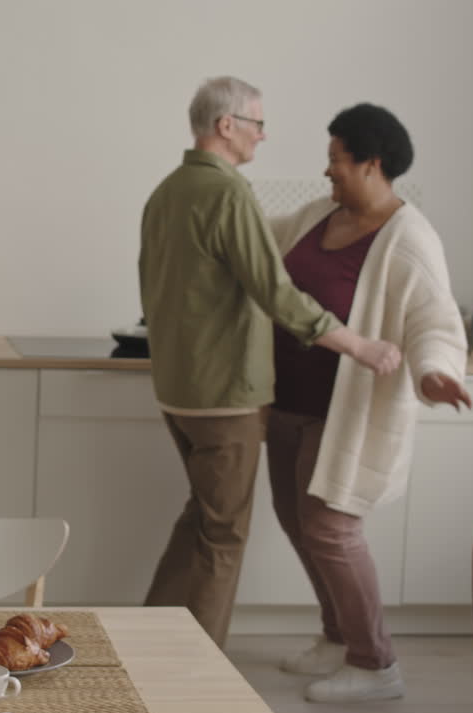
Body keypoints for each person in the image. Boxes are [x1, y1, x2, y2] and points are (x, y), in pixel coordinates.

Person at [137, 76, 403, 649]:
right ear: (226, 125)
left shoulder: (165, 192)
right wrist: (359, 345)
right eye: (257, 123)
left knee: (201, 520)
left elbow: (151, 290)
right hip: (224, 398)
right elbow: (276, 292)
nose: (263, 135)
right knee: (225, 538)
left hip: (176, 393)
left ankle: (141, 642)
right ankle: (191, 679)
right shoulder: (229, 194)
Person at [267, 103, 469, 703]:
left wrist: (435, 373)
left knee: (331, 529)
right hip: (288, 403)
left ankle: (376, 662)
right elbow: (258, 252)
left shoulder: (410, 238)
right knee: (297, 523)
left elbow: (435, 321)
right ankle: (336, 637)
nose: (327, 171)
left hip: (346, 415)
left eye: (336, 160)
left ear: (371, 164)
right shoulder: (316, 214)